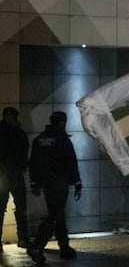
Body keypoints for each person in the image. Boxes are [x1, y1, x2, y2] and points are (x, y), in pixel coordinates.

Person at [27, 111, 82, 264]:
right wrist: (77, 183)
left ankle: (64, 248)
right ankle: (37, 246)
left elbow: (34, 163)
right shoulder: (62, 139)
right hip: (60, 182)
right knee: (56, 215)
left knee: (57, 214)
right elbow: (71, 163)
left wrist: (35, 183)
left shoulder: (39, 140)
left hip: (46, 183)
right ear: (63, 122)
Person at [0, 107, 29, 252]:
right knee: (19, 208)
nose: (15, 120)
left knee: (18, 208)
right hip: (9, 174)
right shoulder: (18, 133)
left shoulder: (17, 132)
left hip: (9, 174)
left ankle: (23, 237)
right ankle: (22, 238)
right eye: (13, 117)